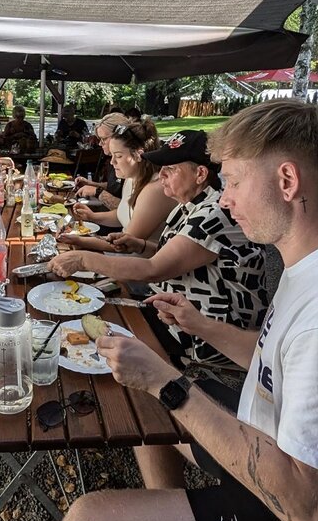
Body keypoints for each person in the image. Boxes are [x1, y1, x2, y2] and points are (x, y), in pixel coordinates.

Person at [52, 100, 318, 521]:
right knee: (148, 424)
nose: (228, 196)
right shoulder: (315, 268)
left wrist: (171, 385)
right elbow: (271, 360)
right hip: (277, 470)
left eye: (235, 179)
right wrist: (199, 324)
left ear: (287, 182)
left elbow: (308, 504)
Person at [51, 129, 267, 365]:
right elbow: (176, 256)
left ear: (201, 174)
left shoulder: (213, 214)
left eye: (171, 168)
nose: (161, 174)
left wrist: (82, 259)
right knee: (87, 317)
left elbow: (154, 269)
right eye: (162, 166)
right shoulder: (189, 204)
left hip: (205, 336)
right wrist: (142, 245)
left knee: (95, 339)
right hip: (170, 311)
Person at [60, 120, 174, 254]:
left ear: (138, 154)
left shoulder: (154, 190)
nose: (112, 161)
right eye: (112, 155)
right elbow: (123, 215)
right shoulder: (131, 178)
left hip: (140, 266)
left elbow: (126, 244)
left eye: (118, 156)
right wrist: (92, 216)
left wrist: (78, 240)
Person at [73, 112, 128, 208]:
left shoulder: (130, 164)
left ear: (119, 137)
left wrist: (97, 191)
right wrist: (91, 184)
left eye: (103, 139)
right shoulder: (113, 159)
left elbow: (128, 211)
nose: (100, 144)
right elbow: (114, 186)